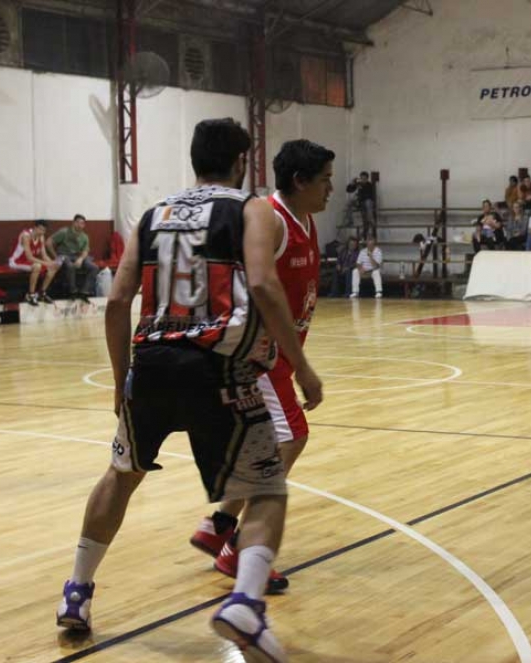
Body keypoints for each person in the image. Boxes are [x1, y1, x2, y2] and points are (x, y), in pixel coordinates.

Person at [56, 120, 324, 663]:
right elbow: (265, 284)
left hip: (150, 365)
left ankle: (77, 592)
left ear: (195, 158)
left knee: (120, 475)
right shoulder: (251, 209)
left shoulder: (154, 213)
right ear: (241, 163)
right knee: (268, 487)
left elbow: (116, 301)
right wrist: (301, 365)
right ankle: (245, 602)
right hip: (218, 367)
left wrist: (119, 378)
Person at [189, 139, 335, 590]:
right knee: (291, 438)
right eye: (325, 181)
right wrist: (299, 364)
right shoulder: (270, 220)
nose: (331, 189)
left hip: (279, 356)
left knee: (268, 446)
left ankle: (217, 527)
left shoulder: (305, 219)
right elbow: (250, 285)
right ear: (299, 181)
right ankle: (238, 553)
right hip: (260, 354)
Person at [47, 214, 98, 302]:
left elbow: (85, 251)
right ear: (73, 223)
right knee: (70, 266)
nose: (80, 225)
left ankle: (84, 292)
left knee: (94, 267)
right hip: (64, 255)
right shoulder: (64, 232)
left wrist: (81, 259)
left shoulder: (84, 236)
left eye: (82, 223)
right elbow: (48, 242)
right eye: (77, 222)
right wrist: (55, 256)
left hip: (77, 256)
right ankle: (73, 291)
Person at [8, 219, 59, 305]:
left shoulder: (41, 237)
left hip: (29, 262)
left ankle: (42, 293)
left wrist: (52, 263)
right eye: (40, 229)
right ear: (35, 227)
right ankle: (30, 295)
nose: (41, 232)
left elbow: (44, 255)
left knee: (54, 267)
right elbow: (30, 257)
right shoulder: (26, 236)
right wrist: (46, 263)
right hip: (16, 261)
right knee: (37, 266)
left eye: (44, 230)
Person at [345, 171, 377, 240]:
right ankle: (350, 221)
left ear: (367, 178)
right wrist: (352, 183)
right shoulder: (358, 184)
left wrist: (360, 193)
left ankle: (370, 219)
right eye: (362, 178)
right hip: (360, 203)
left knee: (368, 202)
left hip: (367, 203)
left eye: (364, 178)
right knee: (349, 203)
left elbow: (370, 197)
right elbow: (348, 190)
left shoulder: (369, 185)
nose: (363, 180)